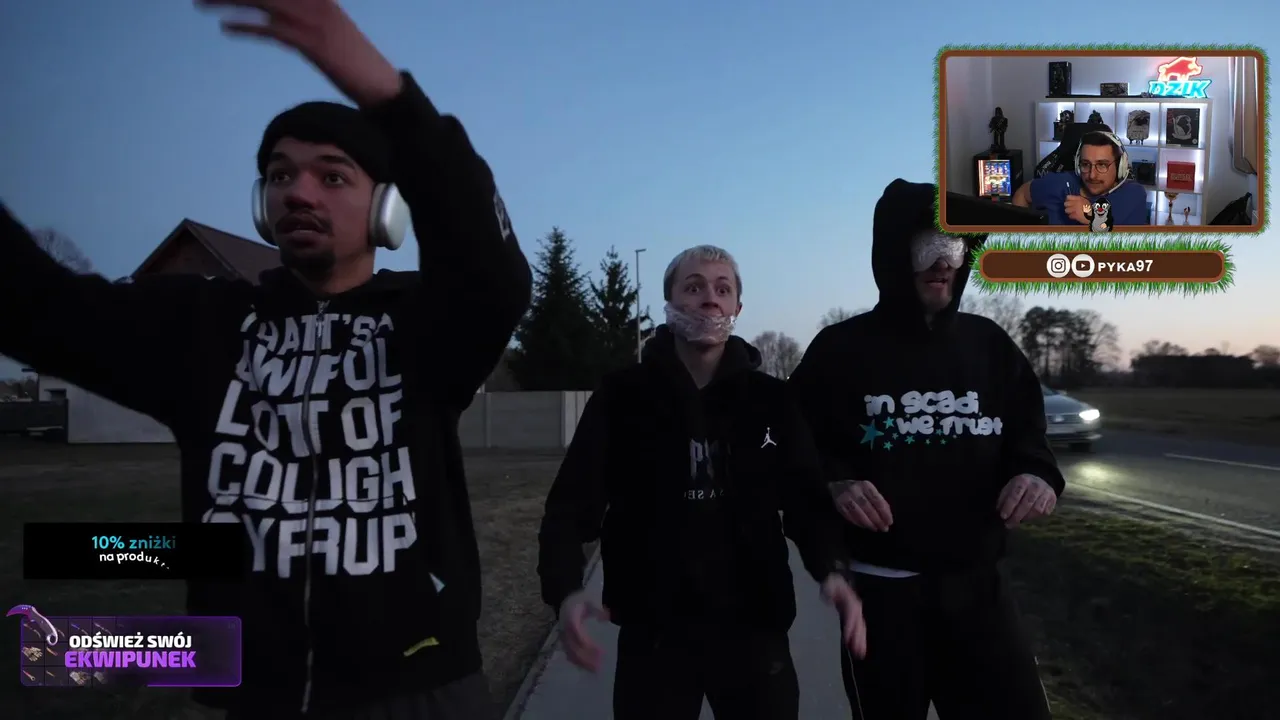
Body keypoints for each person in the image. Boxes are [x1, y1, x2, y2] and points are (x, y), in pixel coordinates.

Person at [0, 1, 531, 718]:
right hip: (251, 692)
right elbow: (35, 306)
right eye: (280, 176)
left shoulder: (425, 325)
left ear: (386, 211)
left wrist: (388, 96)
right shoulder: (199, 326)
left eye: (332, 176)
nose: (299, 192)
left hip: (420, 687)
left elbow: (494, 274)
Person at [537, 245, 867, 720]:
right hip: (653, 633)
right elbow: (569, 506)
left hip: (755, 629)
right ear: (669, 304)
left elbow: (806, 501)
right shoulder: (622, 397)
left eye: (722, 289)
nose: (710, 298)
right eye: (693, 287)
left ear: (737, 308)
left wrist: (833, 570)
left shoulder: (772, 401)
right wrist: (566, 590)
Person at [788, 179, 1065, 720]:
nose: (943, 264)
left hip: (979, 592)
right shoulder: (839, 351)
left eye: (954, 249)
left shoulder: (990, 346)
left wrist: (1037, 474)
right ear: (894, 255)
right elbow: (791, 454)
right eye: (927, 249)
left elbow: (1029, 437)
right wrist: (833, 482)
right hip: (881, 599)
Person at [1013, 129, 1149, 226]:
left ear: (1120, 167)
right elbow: (1023, 193)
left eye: (1102, 165)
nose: (1092, 175)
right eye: (1085, 164)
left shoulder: (1133, 194)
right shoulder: (1060, 184)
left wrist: (1090, 214)